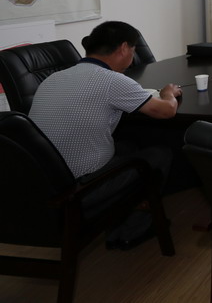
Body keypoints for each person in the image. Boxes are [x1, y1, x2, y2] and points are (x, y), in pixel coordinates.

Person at [29, 21, 181, 250]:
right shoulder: (112, 80)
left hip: (44, 185)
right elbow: (166, 111)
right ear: (124, 48)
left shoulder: (52, 79)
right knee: (161, 153)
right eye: (133, 49)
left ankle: (127, 212)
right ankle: (131, 231)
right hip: (80, 190)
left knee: (129, 146)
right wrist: (168, 92)